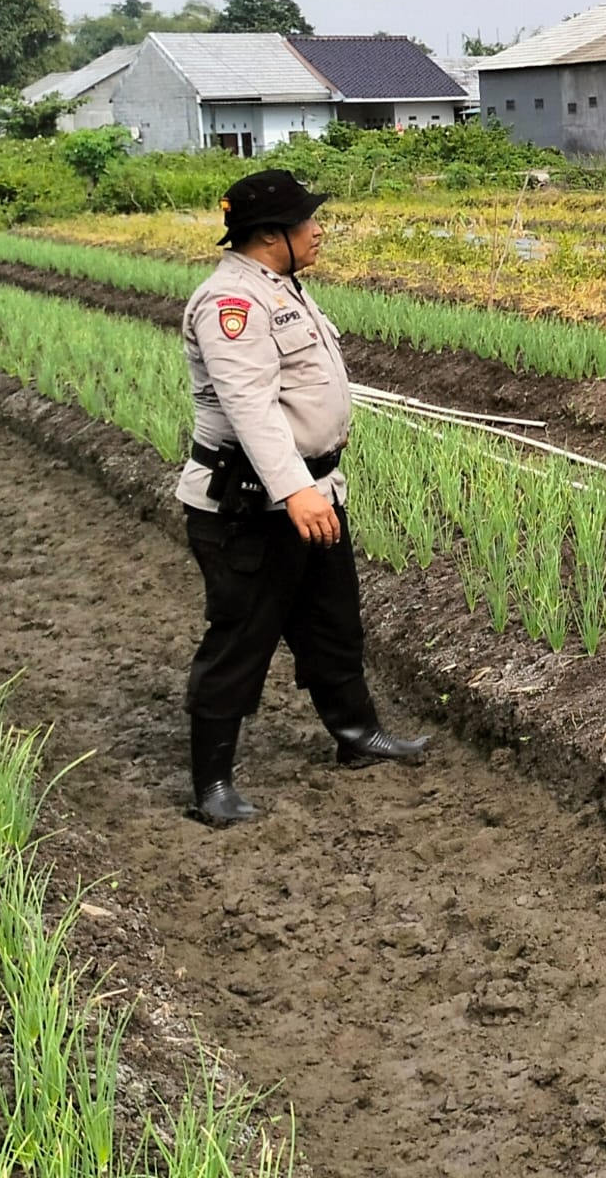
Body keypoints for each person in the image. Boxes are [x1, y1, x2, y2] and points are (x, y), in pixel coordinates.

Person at [176, 169, 429, 825]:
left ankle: (358, 735)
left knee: (331, 619)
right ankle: (212, 786)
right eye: (305, 222)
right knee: (240, 636)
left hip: (311, 490)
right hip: (247, 506)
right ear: (268, 235)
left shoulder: (281, 288)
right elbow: (250, 408)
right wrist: (294, 491)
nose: (318, 230)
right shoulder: (231, 304)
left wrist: (312, 487)